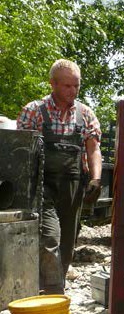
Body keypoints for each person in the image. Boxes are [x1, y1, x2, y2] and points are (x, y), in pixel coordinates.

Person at [17, 59, 102, 294]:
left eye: (77, 86)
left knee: (67, 244)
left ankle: (53, 285)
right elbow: (19, 152)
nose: (73, 91)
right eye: (67, 86)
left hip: (73, 187)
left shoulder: (85, 115)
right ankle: (53, 292)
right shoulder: (33, 112)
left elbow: (93, 149)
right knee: (50, 238)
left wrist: (95, 179)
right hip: (42, 186)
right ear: (53, 84)